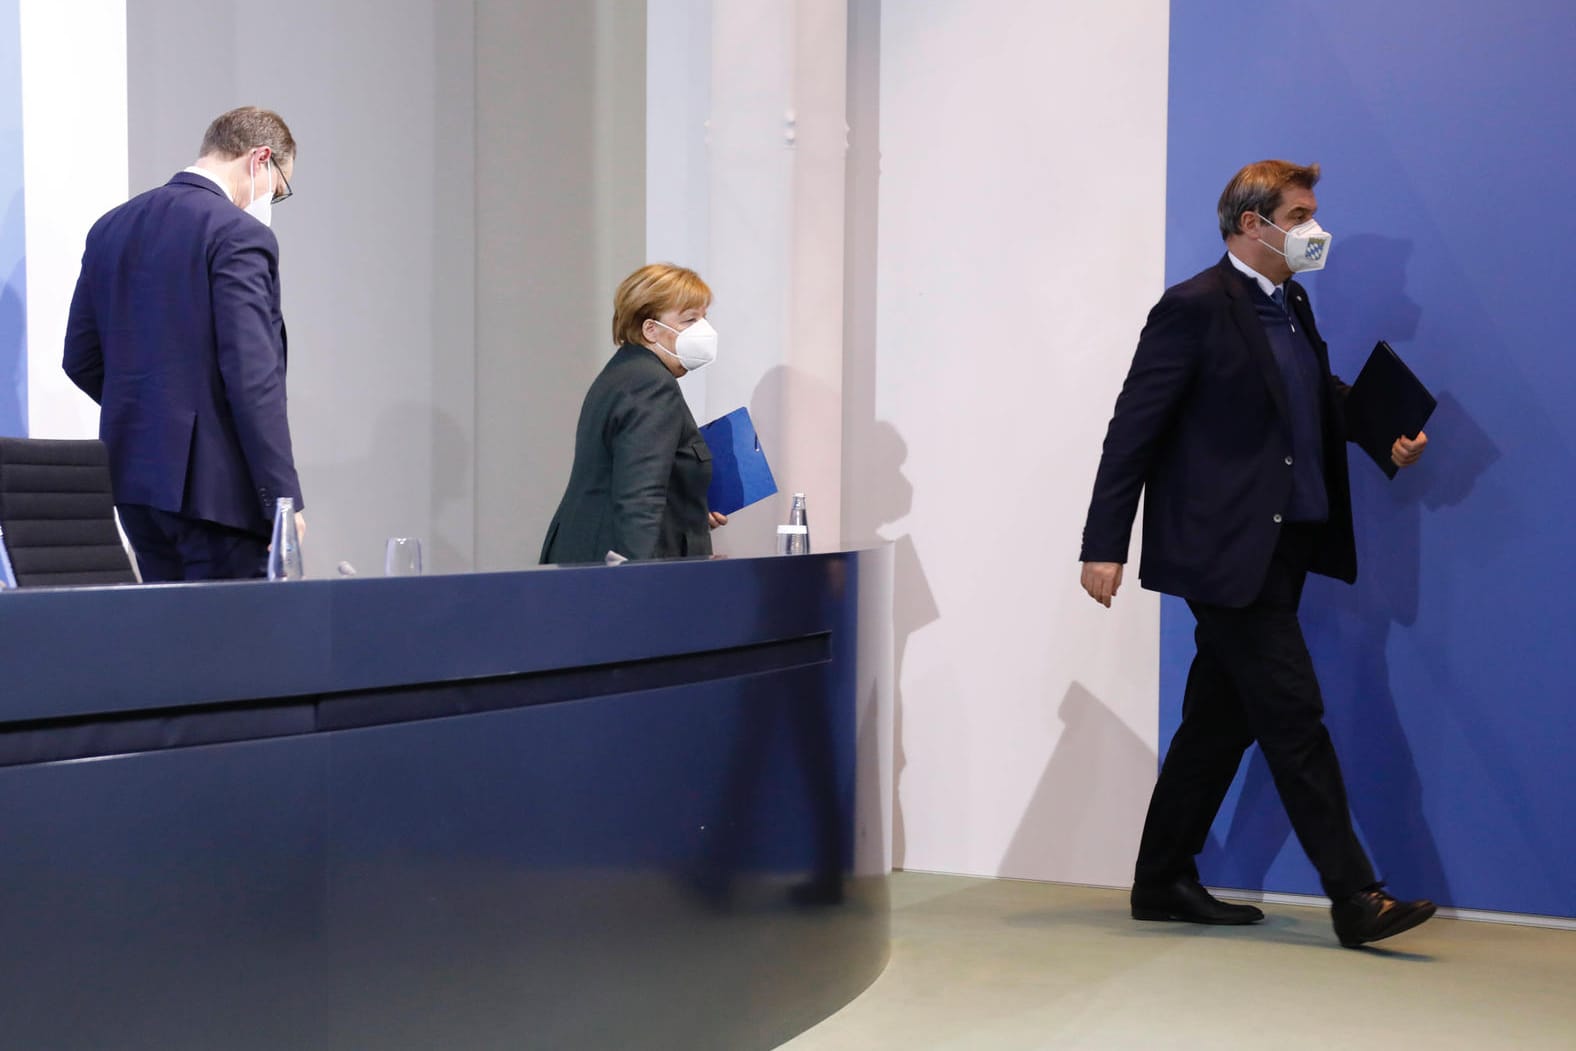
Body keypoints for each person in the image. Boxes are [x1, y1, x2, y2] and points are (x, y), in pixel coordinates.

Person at [1079, 160, 1436, 949]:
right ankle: (1354, 895)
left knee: (1217, 721)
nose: (1314, 230)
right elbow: (1131, 429)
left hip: (1284, 546)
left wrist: (1385, 435)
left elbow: (1315, 396)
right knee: (1293, 713)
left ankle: (1161, 878)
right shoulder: (1193, 309)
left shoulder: (1290, 302)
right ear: (1253, 224)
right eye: (1300, 214)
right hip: (1222, 550)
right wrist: (1104, 543)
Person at [63, 106, 302, 582]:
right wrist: (283, 501)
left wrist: (150, 413)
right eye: (277, 191)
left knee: (169, 647)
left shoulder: (111, 226)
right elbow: (253, 377)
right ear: (261, 158)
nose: (268, 204)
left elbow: (81, 358)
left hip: (135, 483)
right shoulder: (238, 234)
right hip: (219, 495)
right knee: (233, 649)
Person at [540, 263, 726, 564]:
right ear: (650, 329)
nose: (703, 330)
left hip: (589, 555)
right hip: (619, 569)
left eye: (704, 318)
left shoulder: (624, 372)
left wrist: (687, 509)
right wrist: (637, 583)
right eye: (689, 319)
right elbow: (640, 497)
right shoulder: (651, 384)